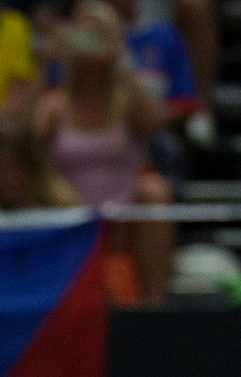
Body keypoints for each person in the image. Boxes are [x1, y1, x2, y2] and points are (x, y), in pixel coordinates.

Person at [35, 0, 174, 301]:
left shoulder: (126, 101)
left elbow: (155, 122)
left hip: (122, 218)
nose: (91, 44)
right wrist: (46, 63)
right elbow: (20, 145)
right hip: (70, 215)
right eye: (85, 35)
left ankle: (155, 305)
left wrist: (122, 60)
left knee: (155, 191)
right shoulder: (56, 105)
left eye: (101, 35)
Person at [0, 123, 80, 209]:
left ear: (32, 167)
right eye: (0, 170)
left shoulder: (62, 206)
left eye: (15, 169)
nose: (7, 179)